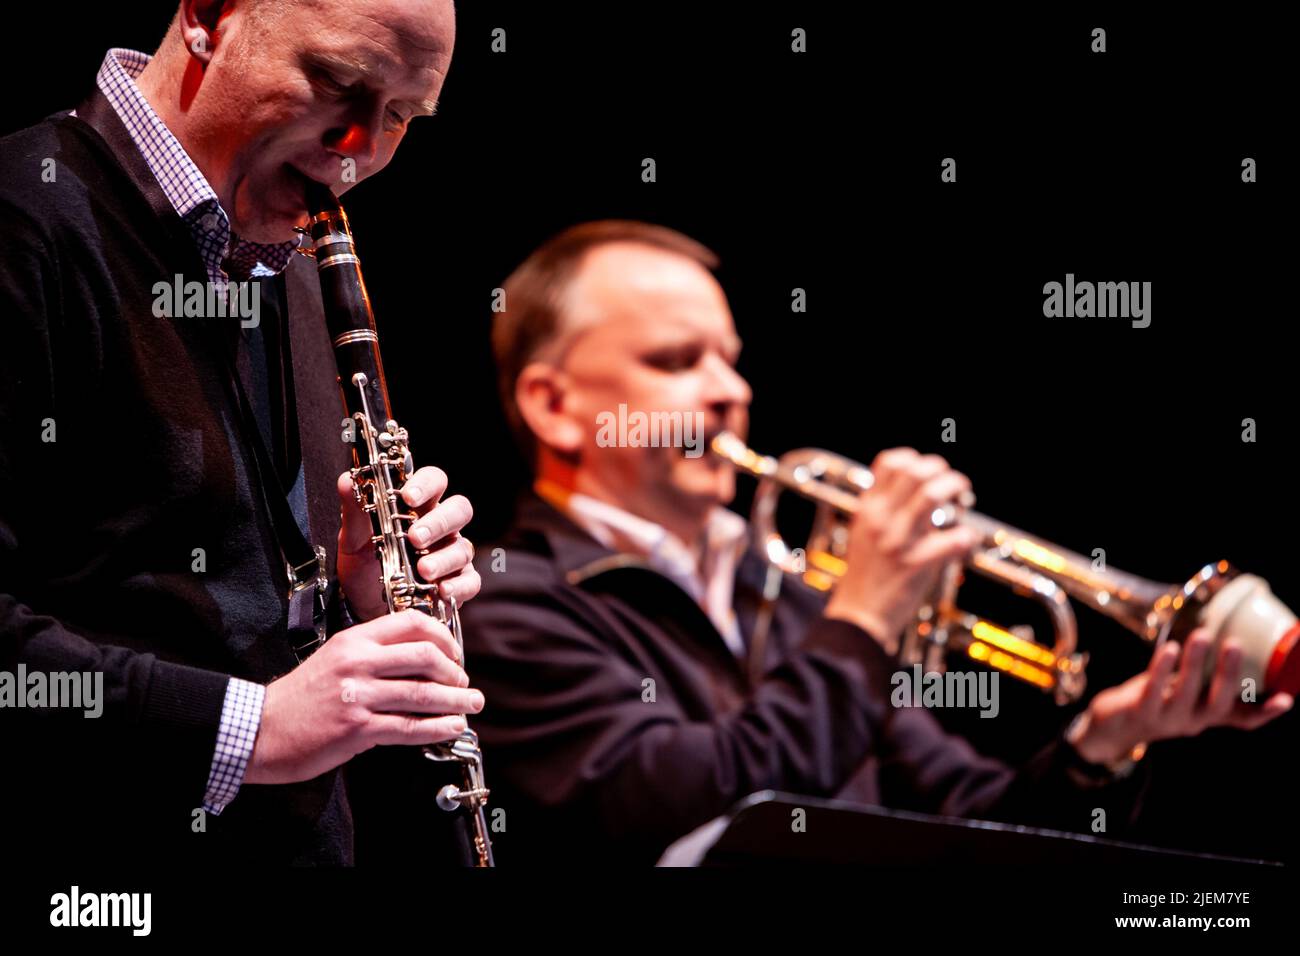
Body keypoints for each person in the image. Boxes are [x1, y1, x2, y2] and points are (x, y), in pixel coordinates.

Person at [460, 220, 1293, 865]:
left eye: (731, 359)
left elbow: (969, 831)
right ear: (555, 406)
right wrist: (861, 619)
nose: (731, 390)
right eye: (678, 361)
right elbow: (698, 808)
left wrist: (1106, 740)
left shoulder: (786, 590)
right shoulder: (503, 606)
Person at [0, 0, 483, 865]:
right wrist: (251, 730)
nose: (361, 151)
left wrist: (356, 597)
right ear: (209, 17)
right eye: (338, 83)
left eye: (404, 116)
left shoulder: (291, 263)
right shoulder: (22, 220)